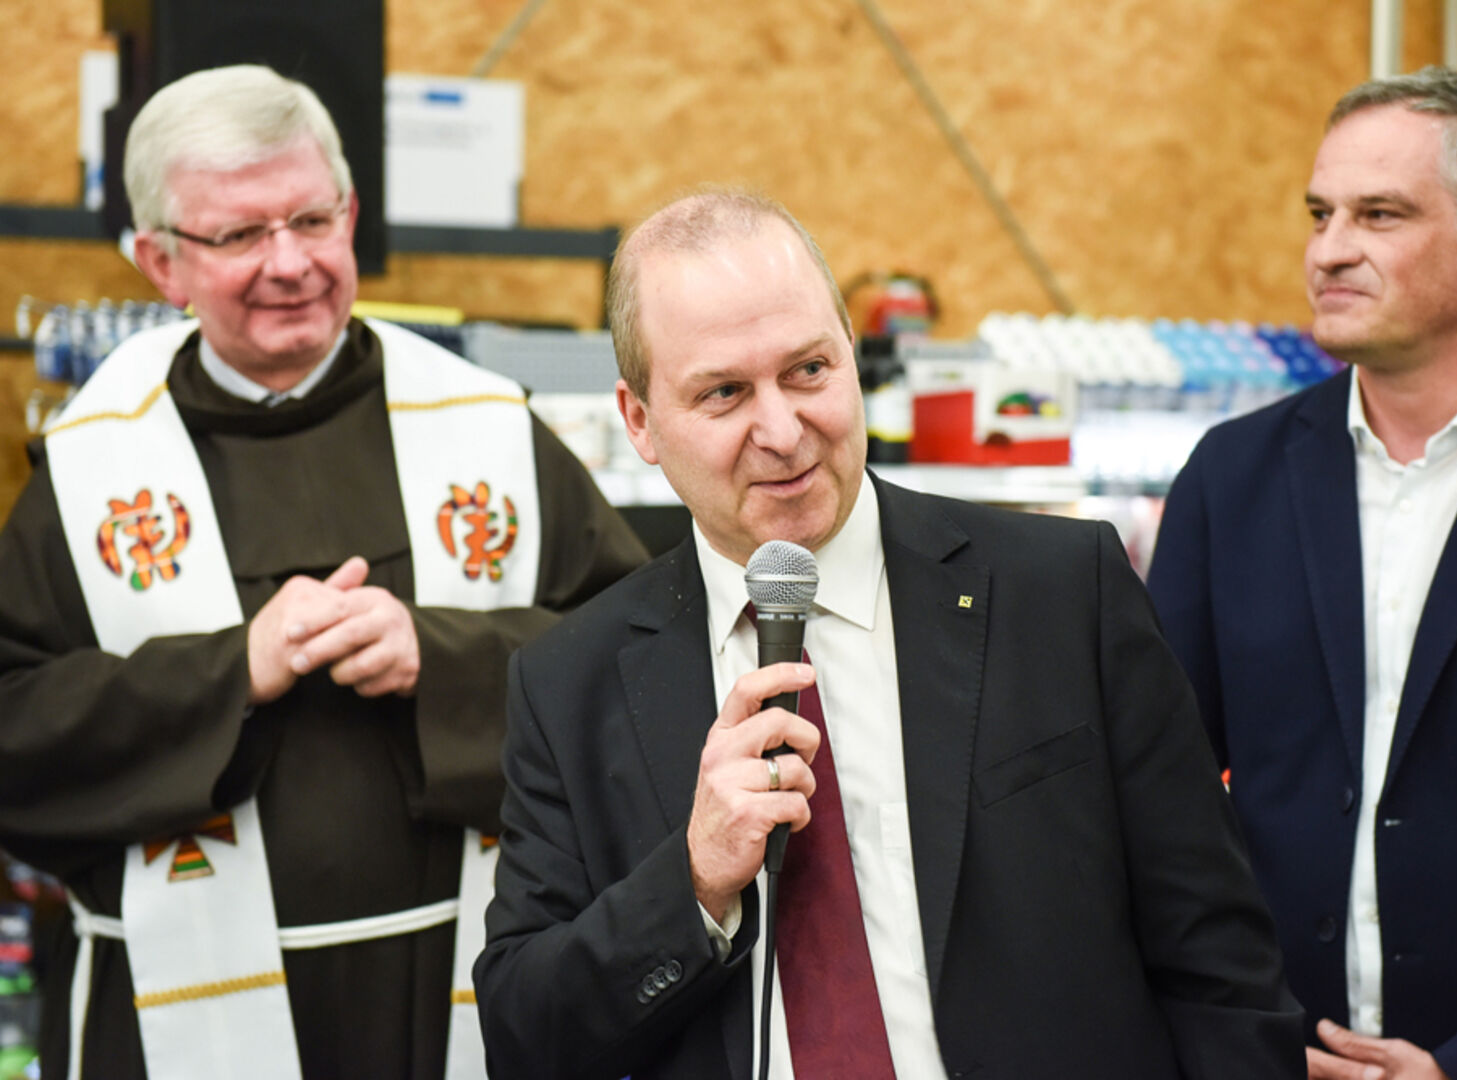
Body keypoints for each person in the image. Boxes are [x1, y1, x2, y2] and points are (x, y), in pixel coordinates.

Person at [474, 188, 1305, 1079]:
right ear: (638, 420)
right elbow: (527, 1034)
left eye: (808, 370)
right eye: (723, 393)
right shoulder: (570, 683)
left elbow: (1219, 963)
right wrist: (693, 882)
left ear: (850, 354)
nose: (783, 432)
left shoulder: (1063, 592)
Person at [0, 65, 647, 1080]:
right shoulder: (91, 471)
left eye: (311, 219)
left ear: (350, 214)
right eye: (239, 235)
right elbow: (17, 734)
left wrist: (437, 657)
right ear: (160, 262)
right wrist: (230, 675)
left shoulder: (483, 429)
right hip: (175, 1015)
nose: (290, 262)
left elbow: (636, 669)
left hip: (452, 987)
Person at [1148, 67, 1457, 1080]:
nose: (1328, 250)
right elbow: (1157, 806)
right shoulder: (1229, 480)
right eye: (1318, 214)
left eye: (1378, 215)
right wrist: (1249, 1035)